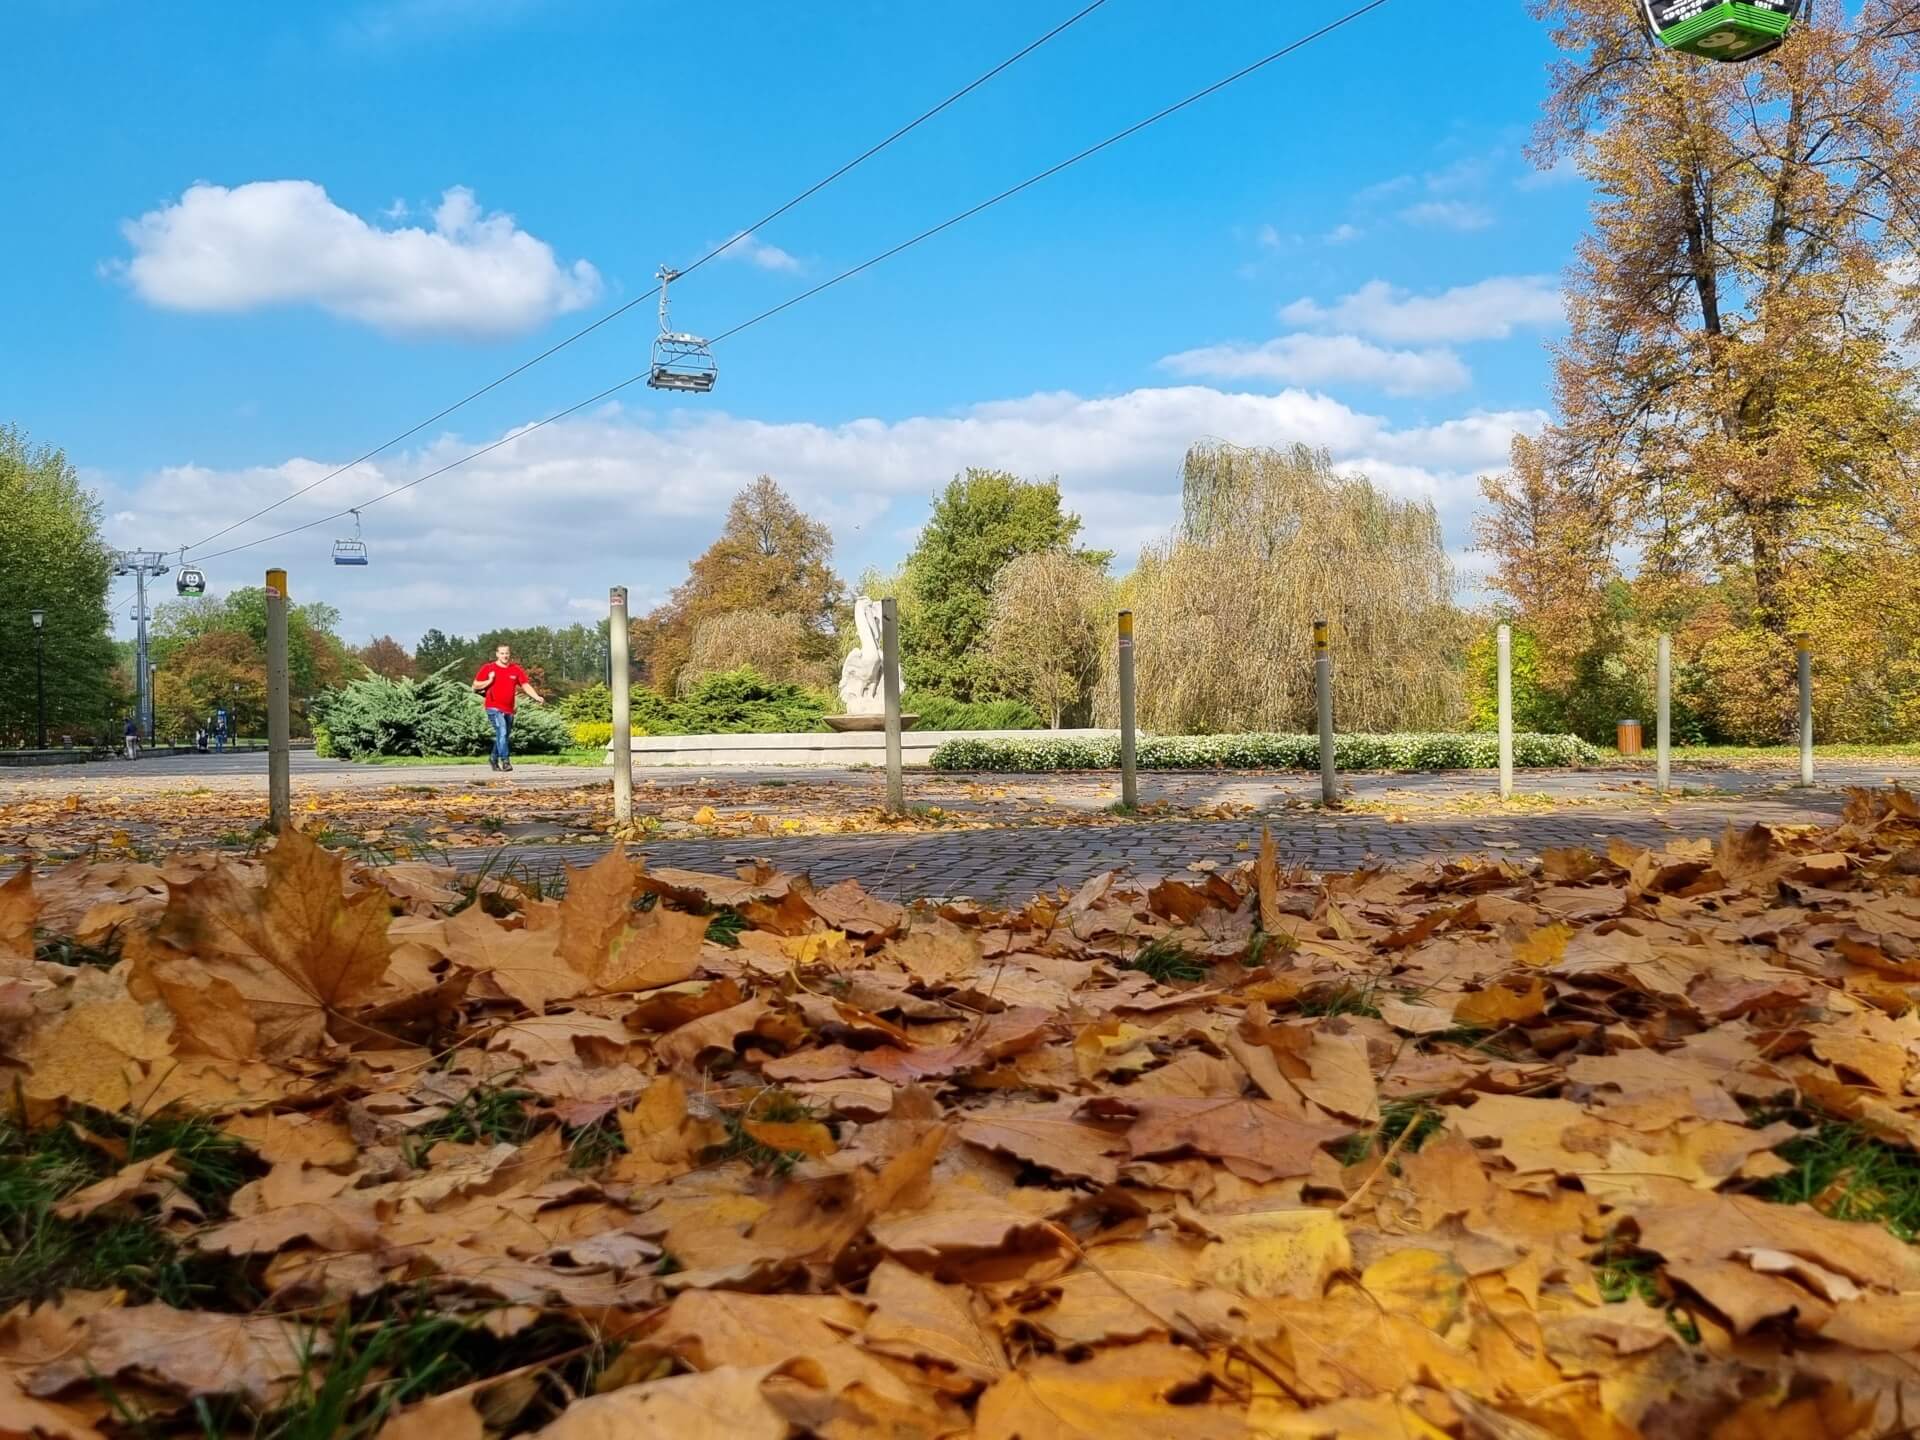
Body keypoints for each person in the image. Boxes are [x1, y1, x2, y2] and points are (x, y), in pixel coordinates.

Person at [472, 644, 543, 771]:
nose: (505, 656)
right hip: (493, 707)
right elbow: (475, 686)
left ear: (509, 654)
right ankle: (506, 761)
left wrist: (536, 697)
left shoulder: (515, 669)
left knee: (503, 735)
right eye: (502, 653)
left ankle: (493, 759)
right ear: (497, 654)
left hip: (509, 709)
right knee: (502, 731)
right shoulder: (488, 668)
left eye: (507, 653)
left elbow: (525, 685)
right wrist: (489, 681)